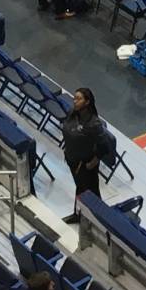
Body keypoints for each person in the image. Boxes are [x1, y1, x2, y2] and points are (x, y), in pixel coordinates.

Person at [61, 87, 111, 222]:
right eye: (74, 98)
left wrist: (94, 161)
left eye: (79, 99)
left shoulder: (93, 123)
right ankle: (78, 214)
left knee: (92, 193)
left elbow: (105, 145)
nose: (75, 101)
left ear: (87, 102)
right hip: (72, 160)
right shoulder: (72, 113)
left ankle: (101, 220)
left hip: (85, 164)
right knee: (80, 188)